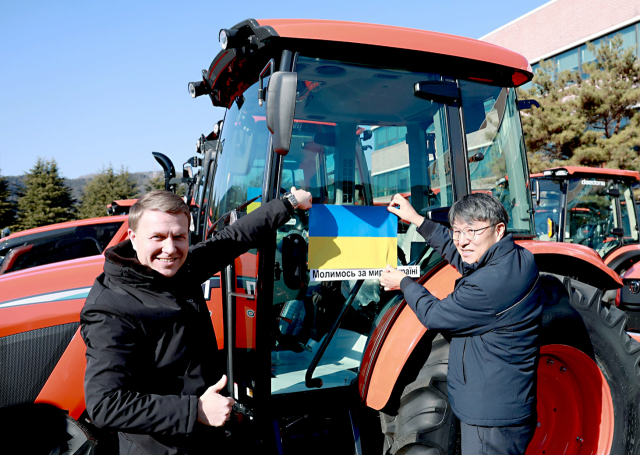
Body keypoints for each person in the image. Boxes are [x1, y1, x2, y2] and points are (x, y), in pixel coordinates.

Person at [81, 188, 312, 455]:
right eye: (157, 237)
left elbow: (232, 239)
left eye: (179, 236)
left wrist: (289, 203)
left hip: (209, 433)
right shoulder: (111, 308)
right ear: (133, 238)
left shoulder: (179, 269)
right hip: (166, 447)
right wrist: (195, 411)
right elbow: (104, 405)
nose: (170, 248)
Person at [380, 193, 542, 455]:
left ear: (498, 229)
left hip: (490, 418)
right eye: (457, 231)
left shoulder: (486, 286)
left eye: (472, 231)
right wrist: (417, 220)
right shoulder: (515, 258)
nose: (463, 240)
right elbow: (459, 254)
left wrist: (404, 283)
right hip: (506, 403)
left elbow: (434, 314)